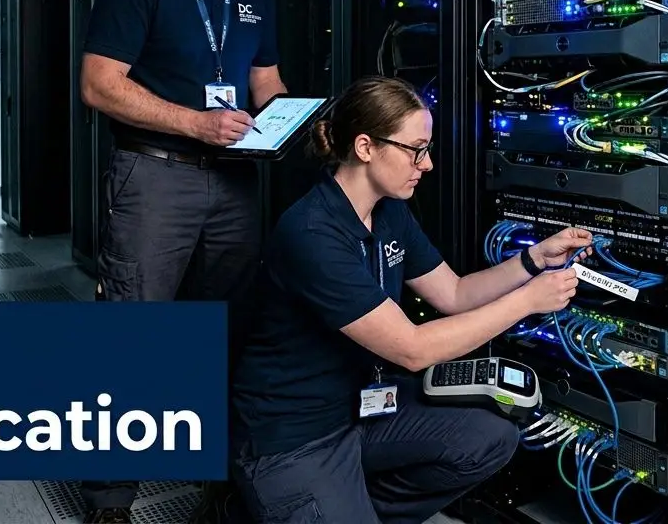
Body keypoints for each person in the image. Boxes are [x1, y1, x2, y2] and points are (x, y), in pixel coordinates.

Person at [229, 75, 591, 523]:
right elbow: (412, 348)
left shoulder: (389, 211)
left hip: (359, 412)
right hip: (294, 439)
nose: (428, 163)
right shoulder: (312, 232)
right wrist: (527, 302)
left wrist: (532, 261)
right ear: (365, 147)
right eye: (416, 149)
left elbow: (455, 294)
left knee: (489, 436)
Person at [77, 0, 289, 524]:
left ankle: (217, 480)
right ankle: (111, 501)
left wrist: (290, 120)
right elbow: (99, 85)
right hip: (155, 176)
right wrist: (194, 121)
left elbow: (266, 80)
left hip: (233, 183)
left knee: (225, 335)